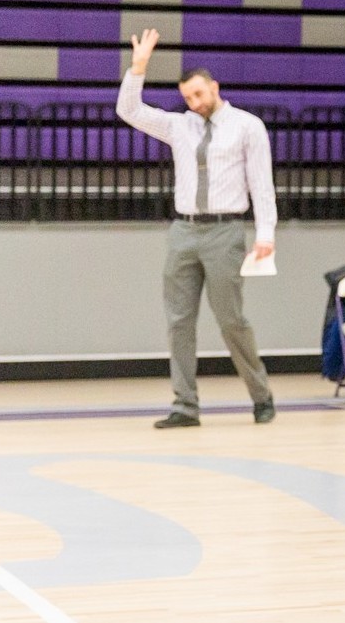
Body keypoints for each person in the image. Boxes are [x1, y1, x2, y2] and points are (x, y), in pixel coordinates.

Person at [116, 29, 277, 429]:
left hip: (225, 231)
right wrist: (138, 67)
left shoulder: (247, 126)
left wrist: (265, 235)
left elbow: (261, 183)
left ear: (215, 88)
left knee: (231, 321)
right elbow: (129, 111)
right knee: (178, 321)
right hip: (184, 231)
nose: (194, 103)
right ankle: (185, 405)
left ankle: (261, 396)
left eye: (199, 95)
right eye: (188, 97)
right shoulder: (178, 126)